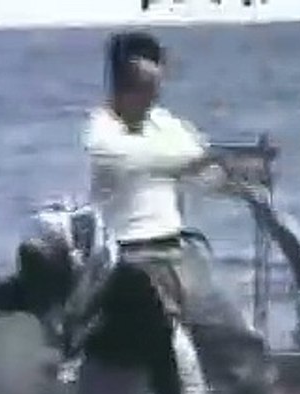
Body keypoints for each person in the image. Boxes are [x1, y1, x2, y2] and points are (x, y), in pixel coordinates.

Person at [82, 31, 224, 322]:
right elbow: (150, 158)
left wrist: (237, 171)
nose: (151, 96)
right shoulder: (100, 132)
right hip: (127, 258)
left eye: (154, 87)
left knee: (232, 334)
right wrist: (205, 158)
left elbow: (202, 164)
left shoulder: (164, 122)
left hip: (174, 252)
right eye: (142, 87)